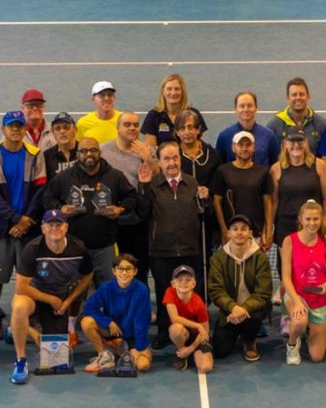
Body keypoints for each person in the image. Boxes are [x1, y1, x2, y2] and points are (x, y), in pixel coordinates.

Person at [0, 110, 47, 340]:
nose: (16, 129)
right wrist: (15, 218)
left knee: (30, 275)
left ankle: (32, 313)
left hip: (28, 228)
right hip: (3, 228)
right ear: (3, 129)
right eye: (11, 126)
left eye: (19, 126)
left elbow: (40, 191)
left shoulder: (35, 154)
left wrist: (26, 219)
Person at [8, 210, 94, 385]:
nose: (55, 228)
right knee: (18, 306)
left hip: (60, 299)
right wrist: (49, 299)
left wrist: (68, 301)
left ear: (66, 227)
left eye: (59, 224)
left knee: (56, 360)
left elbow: (87, 275)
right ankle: (20, 361)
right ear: (43, 228)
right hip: (34, 295)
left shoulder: (78, 248)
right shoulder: (32, 249)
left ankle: (21, 329)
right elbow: (21, 287)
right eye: (50, 225)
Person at [136, 142, 210, 345]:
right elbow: (142, 213)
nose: (172, 163)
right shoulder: (151, 183)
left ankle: (192, 330)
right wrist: (143, 187)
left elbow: (203, 213)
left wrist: (206, 199)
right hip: (161, 251)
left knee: (189, 294)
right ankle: (163, 332)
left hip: (189, 250)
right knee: (163, 294)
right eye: (167, 159)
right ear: (159, 162)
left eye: (175, 158)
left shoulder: (192, 183)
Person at [42, 136, 137, 286]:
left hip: (104, 246)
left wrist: (120, 208)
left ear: (100, 152)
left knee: (107, 288)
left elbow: (131, 197)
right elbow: (47, 198)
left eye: (93, 150)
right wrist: (61, 209)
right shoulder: (64, 177)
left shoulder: (115, 176)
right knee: (75, 291)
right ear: (77, 154)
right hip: (74, 246)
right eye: (84, 151)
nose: (88, 154)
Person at [269, 128, 326, 335]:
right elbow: (274, 202)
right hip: (286, 227)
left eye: (300, 142)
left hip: (313, 226)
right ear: (285, 145)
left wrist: (323, 223)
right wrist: (271, 229)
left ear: (306, 144)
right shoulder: (277, 169)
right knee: (286, 272)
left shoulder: (319, 166)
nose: (296, 146)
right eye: (292, 142)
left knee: (314, 269)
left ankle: (314, 311)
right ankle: (289, 316)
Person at [207, 215, 273, 361]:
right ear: (229, 233)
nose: (239, 232)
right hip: (229, 312)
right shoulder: (218, 258)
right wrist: (233, 308)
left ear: (250, 233)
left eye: (244, 229)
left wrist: (242, 309)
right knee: (220, 351)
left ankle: (249, 340)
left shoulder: (260, 257)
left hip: (252, 311)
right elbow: (216, 291)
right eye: (235, 229)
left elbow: (263, 293)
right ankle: (237, 330)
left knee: (255, 316)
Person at [101, 111, 157, 283]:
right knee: (109, 265)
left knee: (136, 263)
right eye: (127, 124)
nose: (132, 128)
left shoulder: (146, 150)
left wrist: (147, 158)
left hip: (136, 217)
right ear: (117, 128)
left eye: (135, 124)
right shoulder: (104, 150)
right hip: (110, 216)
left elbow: (159, 176)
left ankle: (139, 301)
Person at [281, 200, 326, 365]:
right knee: (299, 320)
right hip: (298, 295)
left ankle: (312, 327)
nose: (312, 223)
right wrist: (296, 301)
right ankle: (292, 343)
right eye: (308, 219)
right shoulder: (289, 241)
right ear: (301, 219)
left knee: (317, 357)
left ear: (322, 219)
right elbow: (286, 277)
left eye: (316, 219)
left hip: (320, 299)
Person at [81, 254, 153, 373]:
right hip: (113, 330)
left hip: (132, 335)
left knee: (143, 366)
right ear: (114, 271)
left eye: (128, 269)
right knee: (86, 322)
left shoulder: (142, 290)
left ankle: (119, 348)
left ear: (135, 271)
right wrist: (108, 322)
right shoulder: (106, 287)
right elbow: (89, 307)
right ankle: (104, 355)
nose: (124, 273)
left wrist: (140, 348)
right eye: (120, 269)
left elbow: (141, 321)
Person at [211, 130, 274, 252]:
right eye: (240, 145)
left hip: (256, 235)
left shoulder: (263, 172)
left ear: (253, 147)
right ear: (233, 148)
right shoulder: (222, 171)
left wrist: (268, 231)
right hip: (231, 234)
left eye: (248, 145)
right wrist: (224, 230)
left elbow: (268, 203)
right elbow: (216, 202)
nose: (244, 148)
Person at [176, 109, 221, 253]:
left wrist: (209, 193)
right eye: (182, 128)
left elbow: (219, 186)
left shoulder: (211, 154)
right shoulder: (172, 154)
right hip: (181, 219)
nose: (187, 132)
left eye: (190, 127)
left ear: (198, 130)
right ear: (177, 132)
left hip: (207, 220)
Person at [164, 265, 213, 373]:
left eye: (188, 280)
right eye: (180, 280)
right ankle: (182, 353)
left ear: (194, 283)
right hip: (183, 333)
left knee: (205, 368)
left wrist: (191, 348)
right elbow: (174, 318)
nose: (184, 283)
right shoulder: (170, 292)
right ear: (173, 284)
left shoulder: (198, 303)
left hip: (197, 338)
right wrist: (197, 325)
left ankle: (191, 352)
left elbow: (205, 330)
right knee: (175, 329)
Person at [141, 73, 208, 148]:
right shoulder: (153, 116)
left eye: (177, 89)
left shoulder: (194, 114)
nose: (173, 93)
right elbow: (151, 150)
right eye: (169, 89)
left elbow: (198, 146)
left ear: (182, 92)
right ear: (163, 92)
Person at [214, 91, 280, 167]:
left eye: (250, 105)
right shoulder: (224, 137)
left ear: (256, 108)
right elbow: (219, 166)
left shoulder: (269, 136)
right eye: (242, 106)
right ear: (236, 109)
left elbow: (275, 165)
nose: (246, 109)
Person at [266, 77, 326, 153]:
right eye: (294, 95)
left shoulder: (321, 125)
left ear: (308, 96)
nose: (298, 98)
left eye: (301, 94)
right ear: (288, 98)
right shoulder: (274, 126)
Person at [76, 81, 121, 145]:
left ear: (114, 98)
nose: (106, 98)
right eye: (102, 95)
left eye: (110, 95)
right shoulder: (82, 123)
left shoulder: (124, 120)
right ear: (93, 99)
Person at [42, 112, 79, 183]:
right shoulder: (47, 156)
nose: (62, 131)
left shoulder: (85, 151)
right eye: (57, 128)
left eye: (66, 127)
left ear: (75, 130)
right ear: (53, 133)